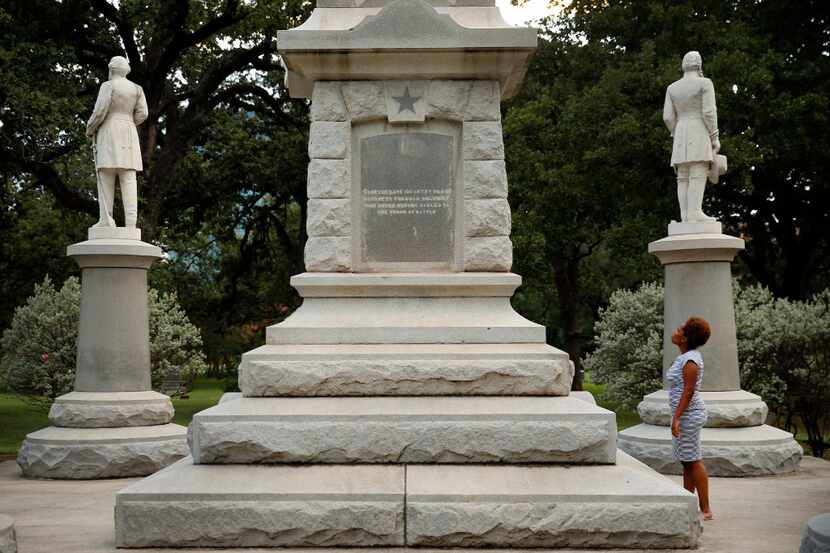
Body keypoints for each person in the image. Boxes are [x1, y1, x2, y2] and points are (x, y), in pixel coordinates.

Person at [85, 56, 148, 229]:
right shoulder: (137, 89)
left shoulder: (108, 86)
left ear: (111, 69)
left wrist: (90, 128)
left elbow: (99, 111)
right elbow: (143, 114)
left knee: (106, 176)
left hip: (109, 131)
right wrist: (128, 122)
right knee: (129, 179)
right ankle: (131, 225)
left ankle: (106, 220)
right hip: (129, 132)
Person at [662, 51, 720, 222]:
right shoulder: (705, 83)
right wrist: (714, 136)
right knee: (698, 170)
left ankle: (685, 215)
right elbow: (709, 112)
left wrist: (675, 132)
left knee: (683, 175)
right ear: (699, 65)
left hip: (681, 130)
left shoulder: (672, 88)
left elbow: (667, 117)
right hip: (698, 128)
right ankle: (694, 212)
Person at [668, 316, 713, 520]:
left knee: (693, 460)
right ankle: (689, 501)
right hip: (685, 415)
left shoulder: (691, 361)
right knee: (687, 461)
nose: (676, 330)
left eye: (680, 328)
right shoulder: (686, 357)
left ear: (685, 338)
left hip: (689, 415)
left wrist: (676, 417)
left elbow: (689, 391)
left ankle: (706, 509)